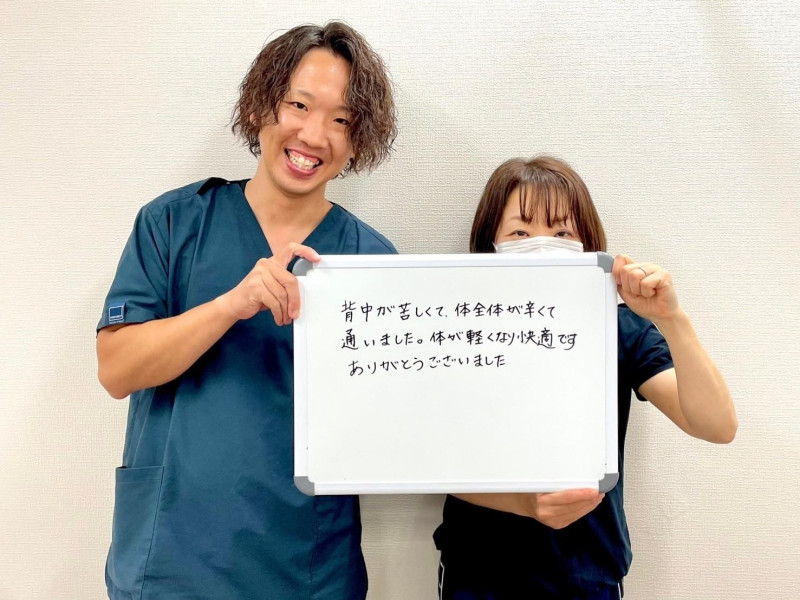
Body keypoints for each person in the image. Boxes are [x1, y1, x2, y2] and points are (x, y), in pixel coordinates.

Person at [96, 22, 397, 600]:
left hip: (307, 567)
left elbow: (389, 421)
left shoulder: (370, 261)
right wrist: (231, 305)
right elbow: (116, 369)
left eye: (342, 120)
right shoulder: (173, 223)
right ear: (261, 106)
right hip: (173, 558)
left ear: (359, 142)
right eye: (298, 105)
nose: (314, 134)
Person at [432, 156, 737, 600]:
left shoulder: (620, 327)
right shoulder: (455, 329)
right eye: (520, 233)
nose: (541, 246)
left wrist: (672, 319)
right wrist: (523, 504)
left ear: (588, 244)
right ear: (489, 245)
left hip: (587, 570)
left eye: (561, 233)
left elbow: (717, 426)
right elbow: (430, 458)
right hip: (480, 569)